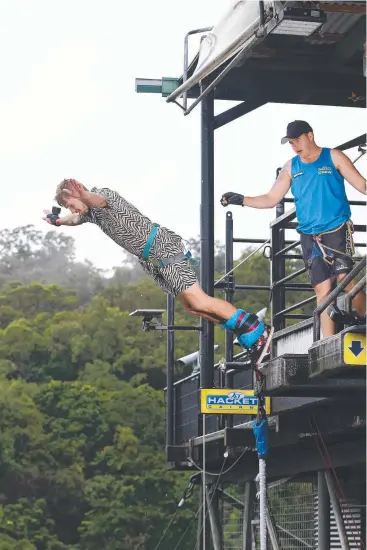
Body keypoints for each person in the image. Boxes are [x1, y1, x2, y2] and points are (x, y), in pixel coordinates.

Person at [42, 178, 272, 355]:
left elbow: (97, 200)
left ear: (80, 191)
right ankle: (242, 331)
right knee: (193, 308)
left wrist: (83, 194)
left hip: (163, 247)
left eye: (72, 204)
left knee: (200, 299)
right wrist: (59, 221)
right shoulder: (89, 213)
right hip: (152, 261)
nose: (74, 211)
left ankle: (255, 328)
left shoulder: (103, 196)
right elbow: (75, 219)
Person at [221, 120, 366, 338]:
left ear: (310, 135)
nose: (294, 145)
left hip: (336, 229)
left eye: (297, 140)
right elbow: (271, 198)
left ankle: (364, 316)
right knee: (322, 290)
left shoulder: (333, 156)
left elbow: (363, 185)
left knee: (345, 277)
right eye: (290, 142)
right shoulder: (291, 167)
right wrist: (241, 199)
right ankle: (326, 342)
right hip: (310, 236)